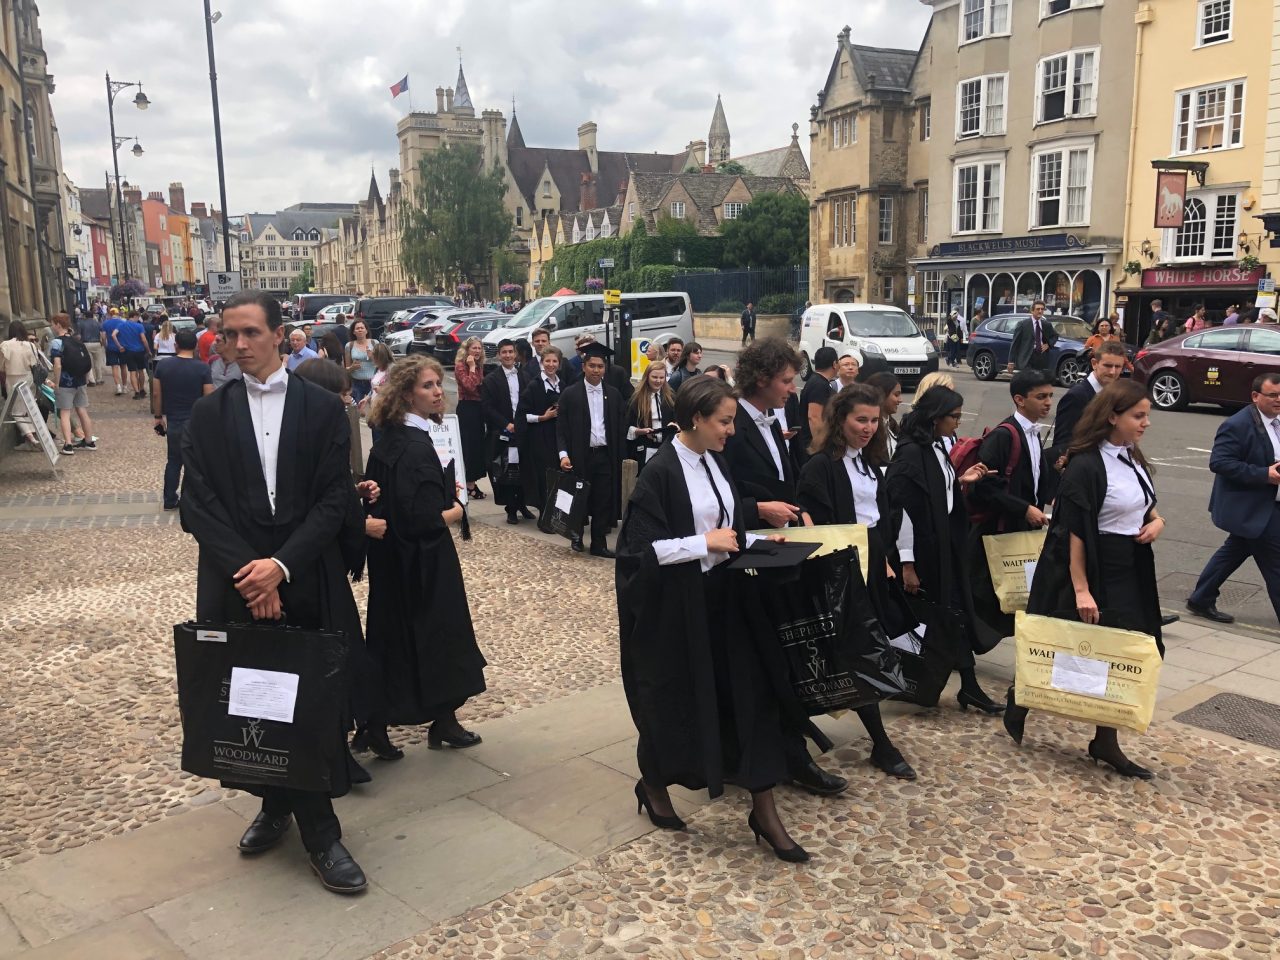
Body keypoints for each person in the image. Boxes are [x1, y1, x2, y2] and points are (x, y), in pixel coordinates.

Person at [178, 290, 368, 893]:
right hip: (237, 585)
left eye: (250, 333)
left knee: (310, 702)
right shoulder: (210, 413)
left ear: (280, 334)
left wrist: (280, 567)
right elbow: (196, 506)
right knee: (253, 704)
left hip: (306, 577)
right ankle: (277, 804)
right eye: (228, 334)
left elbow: (334, 499)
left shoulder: (320, 409)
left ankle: (320, 831)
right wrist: (252, 574)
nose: (237, 345)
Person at [616, 374, 810, 862]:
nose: (731, 431)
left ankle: (763, 810)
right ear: (696, 419)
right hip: (683, 612)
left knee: (753, 698)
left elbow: (725, 520)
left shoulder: (714, 460)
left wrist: (757, 537)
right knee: (679, 703)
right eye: (724, 422)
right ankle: (654, 784)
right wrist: (704, 544)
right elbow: (637, 553)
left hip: (729, 602)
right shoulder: (661, 471)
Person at [1005, 380, 1166, 780]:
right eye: (1138, 415)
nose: (1146, 423)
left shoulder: (1131, 456)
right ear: (1113, 417)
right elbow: (1073, 529)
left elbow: (1143, 503)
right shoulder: (1087, 464)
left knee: (1122, 649)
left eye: (1147, 415)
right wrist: (1081, 588)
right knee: (1067, 643)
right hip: (1092, 564)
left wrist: (1156, 521)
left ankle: (1105, 739)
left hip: (1130, 565)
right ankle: (1021, 695)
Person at [723, 337, 848, 798]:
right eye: (786, 380)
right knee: (768, 663)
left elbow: (784, 480)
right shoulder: (731, 422)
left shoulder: (774, 421)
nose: (793, 389)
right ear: (761, 380)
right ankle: (786, 756)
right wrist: (761, 509)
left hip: (778, 550)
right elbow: (719, 495)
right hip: (747, 560)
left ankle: (783, 749)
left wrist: (799, 509)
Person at [361, 355, 487, 759]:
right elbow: (418, 517)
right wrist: (454, 510)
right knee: (437, 639)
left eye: (438, 384)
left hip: (394, 560)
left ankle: (385, 724)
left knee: (395, 639)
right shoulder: (413, 446)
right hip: (423, 561)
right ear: (405, 394)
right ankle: (425, 721)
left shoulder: (392, 438)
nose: (437, 392)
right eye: (428, 386)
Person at [798, 383, 917, 781]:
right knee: (855, 654)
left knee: (863, 652)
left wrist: (884, 557)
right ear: (840, 420)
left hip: (871, 572)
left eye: (874, 420)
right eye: (860, 420)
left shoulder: (869, 462)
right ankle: (881, 744)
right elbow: (820, 529)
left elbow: (879, 518)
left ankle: (806, 726)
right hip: (840, 577)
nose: (868, 428)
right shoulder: (821, 467)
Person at [887, 385, 1001, 714]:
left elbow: (938, 489)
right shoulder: (910, 453)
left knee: (956, 615)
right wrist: (907, 564)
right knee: (947, 616)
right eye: (954, 416)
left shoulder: (935, 446)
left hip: (945, 547)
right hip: (923, 553)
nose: (958, 422)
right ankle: (961, 685)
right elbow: (902, 510)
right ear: (935, 417)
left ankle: (969, 685)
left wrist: (960, 479)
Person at [1186, 373, 1280, 625]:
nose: (1278, 400)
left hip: (1271, 501)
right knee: (1275, 560)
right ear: (1255, 396)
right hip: (1252, 504)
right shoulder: (1237, 425)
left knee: (1236, 549)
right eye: (1273, 395)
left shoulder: (1277, 420)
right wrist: (1264, 475)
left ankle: (1201, 598)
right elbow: (1220, 463)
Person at [967, 370, 1056, 638]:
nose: (1048, 402)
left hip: (1021, 531)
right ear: (1019, 399)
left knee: (1017, 597)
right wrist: (1024, 509)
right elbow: (981, 487)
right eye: (1041, 397)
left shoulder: (1033, 432)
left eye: (1050, 395)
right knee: (985, 595)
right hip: (999, 532)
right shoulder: (1004, 435)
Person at [557, 341, 625, 557]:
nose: (596, 370)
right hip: (580, 455)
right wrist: (563, 454)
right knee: (579, 498)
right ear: (584, 366)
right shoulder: (570, 393)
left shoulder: (613, 395)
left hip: (604, 454)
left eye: (600, 366)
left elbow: (619, 427)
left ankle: (599, 543)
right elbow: (561, 429)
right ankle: (576, 536)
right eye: (592, 365)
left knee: (602, 500)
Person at [152, 328, 213, 509]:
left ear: (176, 345)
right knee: (194, 462)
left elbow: (156, 394)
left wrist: (158, 417)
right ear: (195, 346)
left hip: (174, 420)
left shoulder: (163, 366)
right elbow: (208, 396)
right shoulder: (202, 367)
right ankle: (190, 498)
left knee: (174, 461)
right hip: (196, 421)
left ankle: (170, 499)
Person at [483, 340, 532, 524]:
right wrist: (506, 424)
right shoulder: (490, 380)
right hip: (504, 433)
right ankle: (511, 508)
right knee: (508, 472)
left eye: (511, 352)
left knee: (523, 469)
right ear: (499, 355)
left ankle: (522, 504)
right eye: (504, 352)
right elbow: (487, 408)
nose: (508, 355)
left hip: (523, 430)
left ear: (515, 354)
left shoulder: (525, 376)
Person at [1051, 341, 1126, 460]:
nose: (1113, 372)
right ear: (1094, 363)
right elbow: (1063, 444)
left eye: (1118, 367)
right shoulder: (1077, 396)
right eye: (1107, 365)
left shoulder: (1117, 394)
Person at [515, 344, 565, 511]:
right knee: (544, 476)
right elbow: (522, 415)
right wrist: (543, 417)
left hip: (557, 436)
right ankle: (544, 513)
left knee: (558, 475)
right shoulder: (534, 386)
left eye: (554, 361)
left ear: (559, 363)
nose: (551, 364)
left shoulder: (562, 385)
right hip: (540, 437)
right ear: (542, 363)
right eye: (548, 361)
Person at [48, 313, 96, 455]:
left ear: (58, 325)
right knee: (82, 410)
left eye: (53, 323)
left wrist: (56, 383)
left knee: (65, 412)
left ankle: (68, 444)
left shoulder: (56, 343)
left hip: (65, 382)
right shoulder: (77, 341)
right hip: (79, 380)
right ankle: (89, 441)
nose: (52, 326)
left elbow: (57, 365)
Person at [453, 337, 489, 501]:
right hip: (467, 409)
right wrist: (472, 367)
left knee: (477, 447)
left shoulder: (480, 365)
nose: (476, 351)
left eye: (479, 348)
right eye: (474, 348)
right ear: (467, 350)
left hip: (478, 408)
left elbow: (480, 388)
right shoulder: (461, 365)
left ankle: (471, 482)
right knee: (468, 446)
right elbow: (470, 386)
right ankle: (469, 485)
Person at [624, 358, 675, 469]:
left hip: (666, 447)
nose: (658, 381)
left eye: (662, 377)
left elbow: (677, 420)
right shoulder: (636, 398)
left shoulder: (670, 397)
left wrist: (675, 425)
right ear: (647, 377)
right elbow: (626, 426)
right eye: (654, 377)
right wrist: (639, 431)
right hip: (644, 448)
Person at [795, 347, 839, 469]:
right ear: (835, 364)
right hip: (813, 447)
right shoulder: (819, 385)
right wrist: (821, 447)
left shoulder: (818, 382)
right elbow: (814, 417)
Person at [0, 318, 41, 450]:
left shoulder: (5, 345)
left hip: (12, 378)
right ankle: (34, 435)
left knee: (16, 410)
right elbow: (34, 363)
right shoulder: (29, 345)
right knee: (28, 407)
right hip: (28, 377)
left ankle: (30, 437)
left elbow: (1, 366)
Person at [1007, 300, 1057, 374]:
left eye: (1042, 309)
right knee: (1027, 382)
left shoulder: (1046, 325)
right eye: (1038, 309)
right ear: (1032, 311)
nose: (1040, 311)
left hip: (1041, 358)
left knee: (1037, 383)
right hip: (1026, 358)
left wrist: (1048, 344)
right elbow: (1015, 343)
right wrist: (1011, 361)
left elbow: (1055, 336)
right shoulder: (1023, 324)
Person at [115, 310, 151, 399]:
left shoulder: (121, 325)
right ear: (134, 316)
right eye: (138, 317)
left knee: (132, 372)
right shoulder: (139, 326)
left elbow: (113, 335)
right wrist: (148, 350)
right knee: (141, 370)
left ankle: (136, 392)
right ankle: (142, 389)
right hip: (139, 351)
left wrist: (119, 346)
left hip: (128, 351)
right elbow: (143, 339)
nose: (138, 319)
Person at [866, 371, 903, 456]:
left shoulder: (892, 425)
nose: (900, 400)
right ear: (881, 394)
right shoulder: (870, 431)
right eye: (896, 395)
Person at [344, 320, 376, 405]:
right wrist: (352, 368)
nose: (360, 330)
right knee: (357, 408)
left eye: (362, 328)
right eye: (357, 328)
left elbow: (382, 363)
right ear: (354, 332)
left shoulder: (374, 343)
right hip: (356, 382)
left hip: (373, 382)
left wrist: (372, 357)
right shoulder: (349, 345)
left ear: (366, 330)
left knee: (376, 409)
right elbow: (346, 369)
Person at [75, 309, 105, 386]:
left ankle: (91, 380)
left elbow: (78, 336)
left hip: (86, 343)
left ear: (85, 316)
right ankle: (99, 379)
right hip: (97, 343)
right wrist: (103, 343)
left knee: (88, 362)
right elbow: (102, 334)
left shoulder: (80, 323)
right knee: (98, 362)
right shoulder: (97, 323)